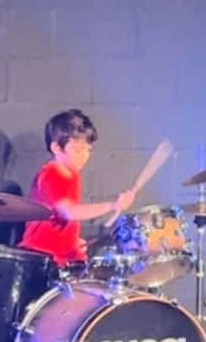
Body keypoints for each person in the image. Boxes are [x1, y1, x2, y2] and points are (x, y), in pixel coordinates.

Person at [19, 109, 136, 265]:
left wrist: (71, 241)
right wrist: (112, 205)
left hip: (64, 258)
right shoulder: (50, 174)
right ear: (56, 148)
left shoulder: (73, 173)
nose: (84, 156)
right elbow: (69, 212)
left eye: (88, 150)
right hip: (42, 258)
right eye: (78, 150)